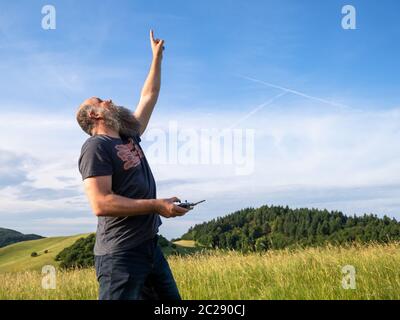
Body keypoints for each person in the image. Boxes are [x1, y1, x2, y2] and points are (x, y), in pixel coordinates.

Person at [75, 30, 189, 300]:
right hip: (120, 256)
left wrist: (156, 58)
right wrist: (156, 205)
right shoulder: (96, 147)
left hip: (149, 248)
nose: (109, 100)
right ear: (94, 114)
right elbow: (101, 204)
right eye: (101, 101)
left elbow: (149, 95)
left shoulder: (128, 136)